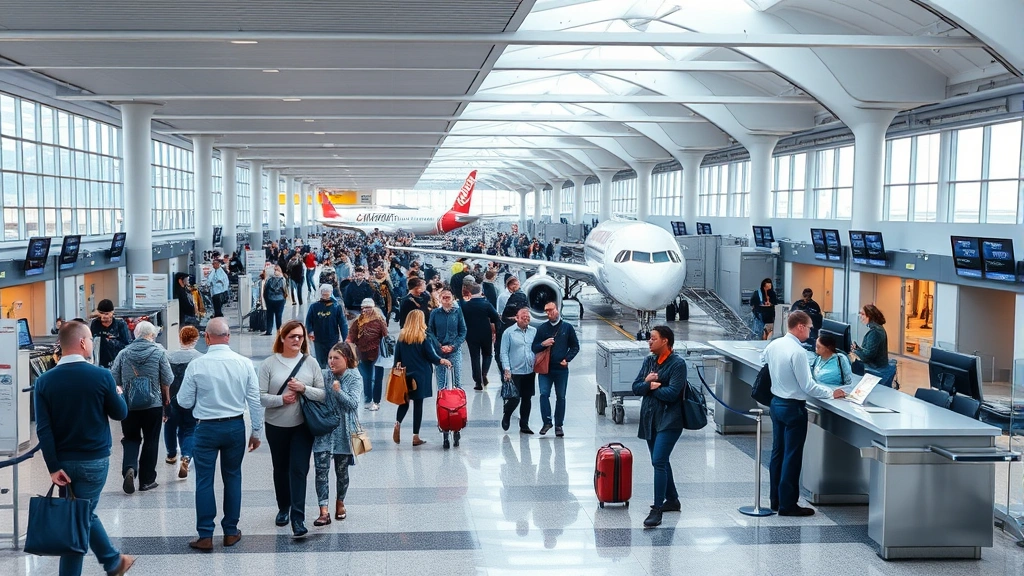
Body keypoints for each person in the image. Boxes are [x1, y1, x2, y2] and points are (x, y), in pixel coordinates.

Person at [35, 321, 134, 576]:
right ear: (81, 342)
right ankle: (113, 562)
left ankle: (113, 561)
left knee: (76, 518)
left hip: (63, 463)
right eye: (90, 339)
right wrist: (118, 393)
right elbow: (120, 413)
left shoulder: (44, 381)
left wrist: (53, 466)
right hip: (94, 460)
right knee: (79, 518)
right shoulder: (101, 376)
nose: (91, 343)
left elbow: (43, 429)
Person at [176, 318, 263, 552]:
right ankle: (231, 532)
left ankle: (205, 535)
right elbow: (254, 400)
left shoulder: (197, 365)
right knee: (232, 476)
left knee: (204, 480)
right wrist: (256, 431)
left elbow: (183, 401)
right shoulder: (244, 363)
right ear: (229, 336)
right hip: (235, 427)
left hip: (205, 428)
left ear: (206, 337)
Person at [760, 311, 846, 516]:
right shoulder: (797, 352)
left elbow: (765, 363)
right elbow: (807, 386)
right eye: (808, 327)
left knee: (778, 453)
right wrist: (831, 393)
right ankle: (788, 505)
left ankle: (776, 500)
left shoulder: (774, 345)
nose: (810, 331)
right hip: (792, 408)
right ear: (799, 327)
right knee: (792, 455)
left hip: (776, 404)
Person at [258, 320, 325, 539]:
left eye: (300, 336)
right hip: (276, 424)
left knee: (299, 469)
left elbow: (323, 394)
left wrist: (303, 388)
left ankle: (298, 517)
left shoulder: (310, 362)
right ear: (283, 339)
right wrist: (281, 399)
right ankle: (283, 507)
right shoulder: (269, 364)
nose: (297, 340)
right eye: (292, 336)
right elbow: (260, 397)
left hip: (303, 425)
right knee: (280, 468)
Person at [631, 326, 689, 528]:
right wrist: (648, 385)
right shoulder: (649, 361)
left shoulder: (678, 364)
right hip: (649, 418)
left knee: (658, 461)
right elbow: (636, 387)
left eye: (653, 338)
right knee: (661, 461)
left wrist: (652, 388)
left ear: (665, 341)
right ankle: (672, 499)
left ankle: (657, 509)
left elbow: (672, 393)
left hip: (669, 420)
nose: (649, 341)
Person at [110, 321, 174, 494]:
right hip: (153, 406)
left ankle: (130, 468)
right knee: (151, 440)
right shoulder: (159, 352)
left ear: (135, 335)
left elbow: (114, 378)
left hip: (129, 406)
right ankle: (147, 480)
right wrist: (166, 400)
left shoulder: (123, 353)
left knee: (130, 439)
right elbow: (167, 379)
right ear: (152, 335)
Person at [313, 342, 363, 526]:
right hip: (324, 429)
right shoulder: (324, 375)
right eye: (330, 358)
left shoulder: (354, 377)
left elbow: (352, 404)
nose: (331, 362)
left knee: (341, 472)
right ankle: (323, 510)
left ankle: (340, 502)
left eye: (336, 358)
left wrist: (338, 390)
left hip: (344, 430)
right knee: (321, 471)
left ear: (347, 360)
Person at [392, 309, 452, 447]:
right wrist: (442, 361)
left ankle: (397, 423)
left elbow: (397, 359)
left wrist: (397, 372)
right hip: (421, 375)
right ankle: (415, 436)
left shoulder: (402, 337)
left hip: (405, 375)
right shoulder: (423, 338)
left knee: (404, 402)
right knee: (418, 405)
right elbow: (431, 356)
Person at [531, 301, 580, 437]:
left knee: (561, 397)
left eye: (551, 310)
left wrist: (567, 359)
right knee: (544, 394)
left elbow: (575, 346)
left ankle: (559, 424)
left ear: (557, 310)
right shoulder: (542, 329)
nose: (549, 313)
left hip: (561, 369)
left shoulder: (567, 328)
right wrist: (543, 344)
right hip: (545, 369)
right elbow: (534, 347)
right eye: (546, 311)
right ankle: (547, 421)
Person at [164, 326, 204, 479]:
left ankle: (171, 454)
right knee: (189, 428)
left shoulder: (168, 356)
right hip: (190, 400)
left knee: (170, 425)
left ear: (180, 338)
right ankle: (186, 456)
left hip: (171, 397)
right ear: (196, 339)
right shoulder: (200, 358)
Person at [500, 307, 537, 435]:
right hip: (515, 370)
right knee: (515, 398)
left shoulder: (533, 331)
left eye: (528, 318)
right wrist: (507, 369)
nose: (526, 320)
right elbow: (504, 352)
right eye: (523, 317)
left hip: (529, 370)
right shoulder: (509, 333)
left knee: (527, 398)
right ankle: (507, 413)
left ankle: (524, 424)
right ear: (517, 318)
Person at [347, 298, 389, 410]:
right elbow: (351, 336)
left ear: (373, 307)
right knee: (366, 378)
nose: (367, 310)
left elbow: (386, 336)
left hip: (378, 354)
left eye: (369, 307)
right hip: (362, 353)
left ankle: (376, 401)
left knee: (377, 379)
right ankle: (367, 399)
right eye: (364, 307)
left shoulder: (380, 320)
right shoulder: (358, 321)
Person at [461, 281, 501, 390]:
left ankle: (477, 381)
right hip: (485, 333)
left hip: (471, 334)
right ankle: (484, 373)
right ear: (480, 292)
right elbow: (495, 317)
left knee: (475, 357)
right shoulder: (486, 304)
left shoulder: (464, 304)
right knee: (487, 354)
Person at [428, 289, 467, 392]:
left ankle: (458, 404)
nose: (446, 300)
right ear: (440, 299)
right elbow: (430, 331)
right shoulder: (434, 313)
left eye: (448, 297)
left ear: (452, 298)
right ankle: (442, 404)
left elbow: (463, 331)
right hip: (439, 351)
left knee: (457, 381)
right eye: (443, 298)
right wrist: (438, 345)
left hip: (454, 350)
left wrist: (453, 346)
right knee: (441, 383)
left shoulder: (457, 312)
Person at [306, 284, 349, 368]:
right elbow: (308, 321)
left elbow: (343, 323)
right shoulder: (314, 307)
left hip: (332, 339)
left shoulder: (336, 307)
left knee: (332, 361)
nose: (325, 296)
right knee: (320, 362)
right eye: (323, 294)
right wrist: (310, 331)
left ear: (331, 293)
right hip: (318, 339)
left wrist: (345, 339)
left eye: (327, 294)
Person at [90, 299, 131, 369]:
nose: (104, 316)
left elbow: (126, 345)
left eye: (107, 314)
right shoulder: (95, 324)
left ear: (112, 313)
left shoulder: (120, 324)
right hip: (99, 362)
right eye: (101, 313)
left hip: (116, 362)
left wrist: (110, 341)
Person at [851, 304, 889, 371]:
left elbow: (867, 357)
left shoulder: (875, 332)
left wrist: (854, 352)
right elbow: (869, 351)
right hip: (877, 366)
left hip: (875, 368)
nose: (860, 317)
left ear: (870, 316)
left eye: (863, 314)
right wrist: (858, 348)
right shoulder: (878, 328)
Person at [262, 264, 289, 335]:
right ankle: (279, 331)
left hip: (270, 299)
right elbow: (285, 290)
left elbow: (265, 290)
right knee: (279, 316)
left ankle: (269, 331)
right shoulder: (283, 279)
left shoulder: (269, 279)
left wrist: (266, 299)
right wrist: (285, 298)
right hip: (280, 300)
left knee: (269, 316)